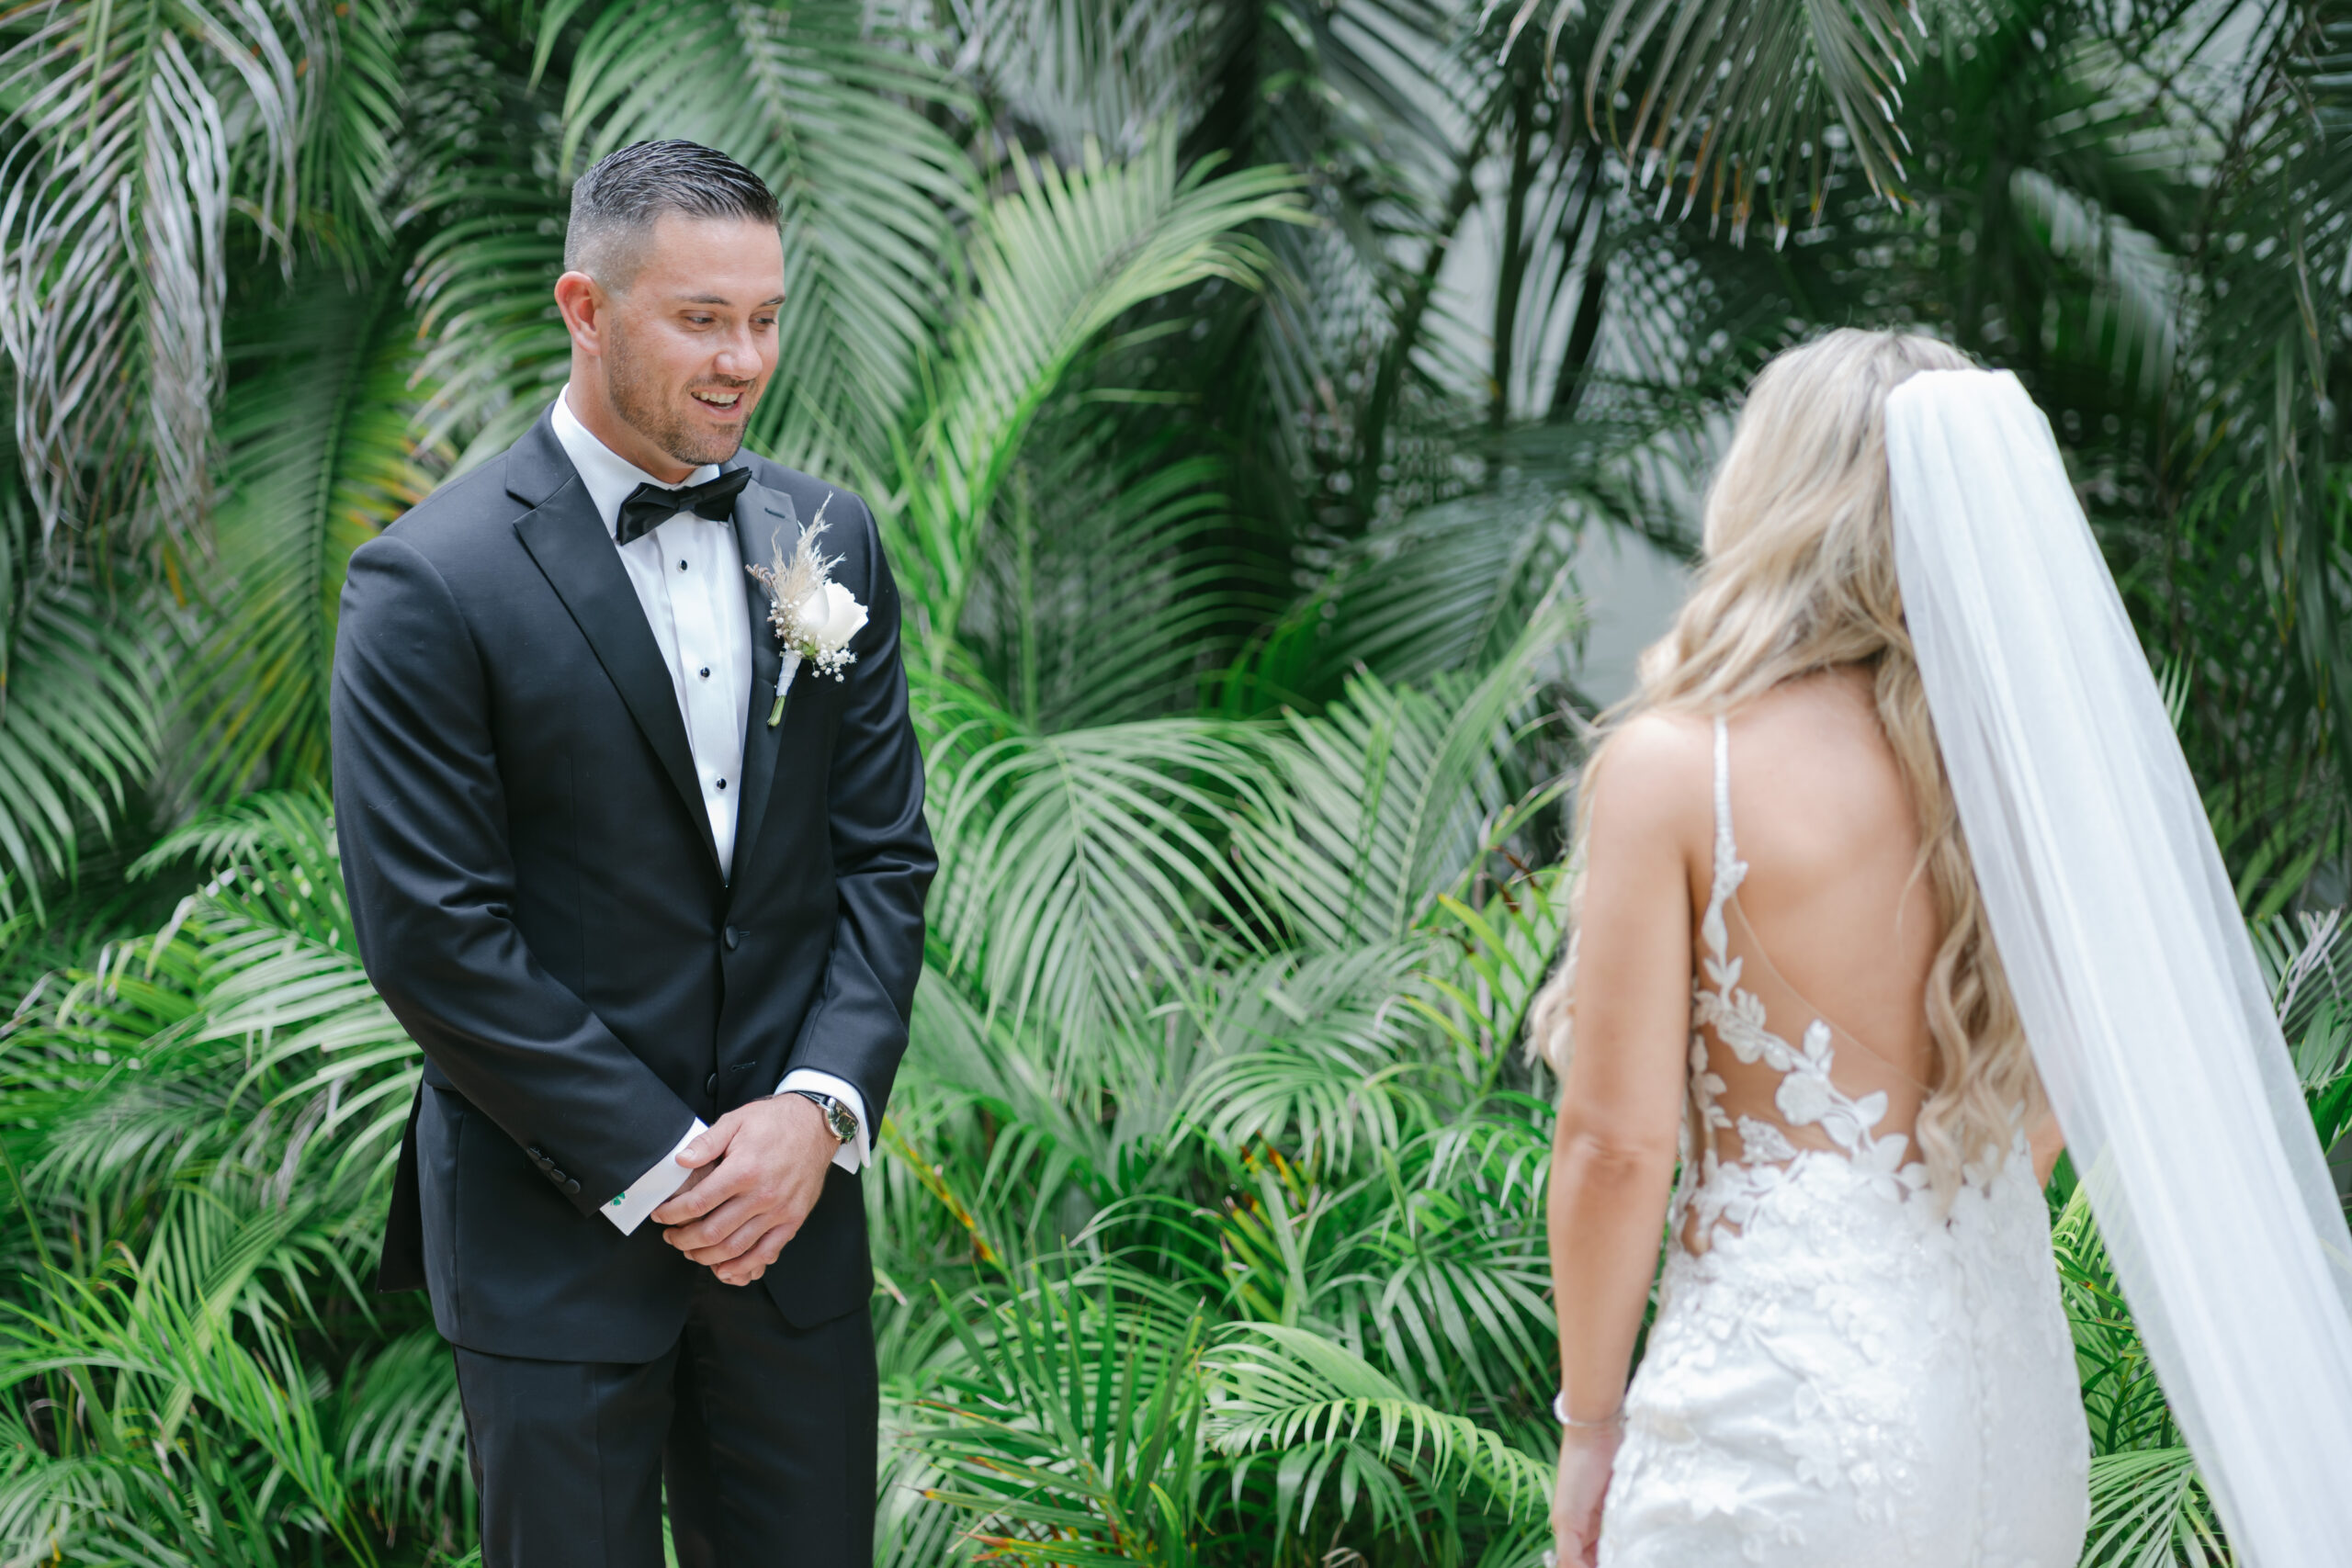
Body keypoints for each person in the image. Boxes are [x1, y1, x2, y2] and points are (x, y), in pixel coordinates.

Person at [1534, 328, 2352, 1566]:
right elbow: (2058, 1092)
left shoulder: (1675, 768)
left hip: (1780, 1419)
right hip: (2006, 1411)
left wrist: (1588, 1427)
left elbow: (1615, 1145)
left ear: (1773, 496)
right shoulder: (2027, 789)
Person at [330, 139, 933, 1568]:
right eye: (701, 319)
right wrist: (669, 1165)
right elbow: (433, 935)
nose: (744, 361)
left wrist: (817, 1112)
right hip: (557, 1246)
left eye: (767, 318)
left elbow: (882, 859)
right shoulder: (432, 581)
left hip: (794, 1235)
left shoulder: (824, 541)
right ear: (585, 310)